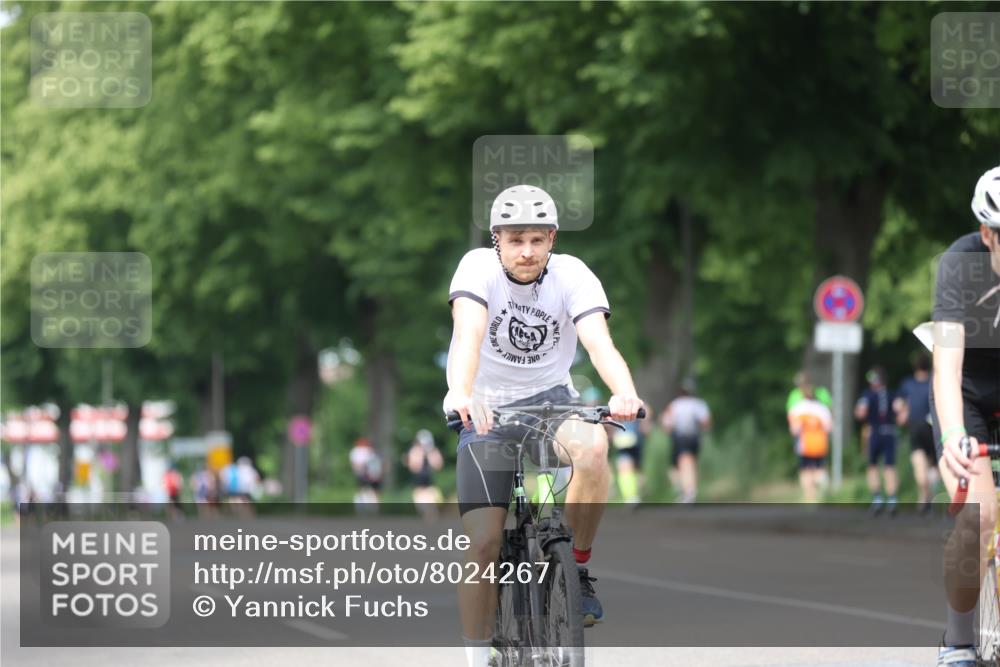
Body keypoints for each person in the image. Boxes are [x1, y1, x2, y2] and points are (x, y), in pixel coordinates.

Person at [443, 185, 644, 666]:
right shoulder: (476, 268)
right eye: (515, 240)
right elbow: (469, 333)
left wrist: (624, 392)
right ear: (497, 240)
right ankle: (477, 659)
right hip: (486, 410)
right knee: (484, 542)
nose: (527, 251)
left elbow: (598, 342)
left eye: (536, 239)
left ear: (552, 238)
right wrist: (461, 392)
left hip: (552, 404)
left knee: (593, 448)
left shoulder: (573, 274)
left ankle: (578, 568)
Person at [933, 166, 1000, 667]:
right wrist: (954, 434)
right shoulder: (959, 264)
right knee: (979, 518)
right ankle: (958, 640)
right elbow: (946, 364)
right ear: (987, 234)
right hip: (968, 394)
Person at [894, 352, 938, 515]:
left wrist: (903, 411)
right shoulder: (934, 382)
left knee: (920, 465)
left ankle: (924, 496)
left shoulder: (907, 384)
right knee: (934, 466)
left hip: (915, 428)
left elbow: (897, 406)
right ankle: (928, 496)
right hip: (933, 428)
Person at [854, 367, 899, 516]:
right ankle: (892, 499)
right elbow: (899, 410)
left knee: (872, 466)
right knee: (889, 466)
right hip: (890, 432)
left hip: (874, 432)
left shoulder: (868, 395)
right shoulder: (892, 394)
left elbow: (861, 412)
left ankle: (877, 498)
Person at [660, 378, 711, 504]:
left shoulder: (675, 405)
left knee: (683, 464)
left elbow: (667, 425)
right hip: (694, 437)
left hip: (680, 438)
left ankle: (688, 492)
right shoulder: (698, 404)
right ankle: (688, 490)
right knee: (690, 463)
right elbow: (706, 422)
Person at [787, 385, 832, 503]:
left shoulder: (798, 408)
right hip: (820, 444)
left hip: (805, 445)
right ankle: (823, 489)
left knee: (805, 471)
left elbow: (794, 429)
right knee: (819, 469)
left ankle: (810, 497)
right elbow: (829, 427)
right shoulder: (822, 408)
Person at [407, 429, 444, 519]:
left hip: (430, 485)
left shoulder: (433, 451)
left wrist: (430, 454)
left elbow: (438, 466)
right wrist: (420, 454)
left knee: (431, 509)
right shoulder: (415, 451)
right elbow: (414, 467)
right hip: (419, 486)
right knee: (423, 508)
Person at [349, 438, 382, 508]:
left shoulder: (368, 452)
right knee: (364, 490)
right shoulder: (358, 451)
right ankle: (363, 504)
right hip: (364, 474)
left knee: (372, 491)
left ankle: (373, 505)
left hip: (370, 474)